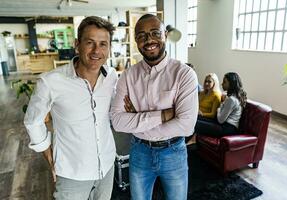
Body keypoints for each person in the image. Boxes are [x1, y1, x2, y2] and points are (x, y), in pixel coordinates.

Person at [24, 16, 118, 200]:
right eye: (90, 43)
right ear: (77, 44)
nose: (96, 51)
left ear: (109, 48)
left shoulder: (112, 76)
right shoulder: (51, 81)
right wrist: (50, 157)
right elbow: (32, 121)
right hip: (72, 173)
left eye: (103, 44)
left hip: (107, 166)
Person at [110, 14, 198, 200]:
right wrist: (166, 114)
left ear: (165, 35)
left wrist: (137, 119)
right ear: (136, 41)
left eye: (155, 33)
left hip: (173, 152)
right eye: (141, 35)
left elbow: (186, 126)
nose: (149, 40)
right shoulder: (128, 76)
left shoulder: (184, 74)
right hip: (139, 151)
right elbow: (117, 122)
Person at [192, 72, 247, 137]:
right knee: (193, 118)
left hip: (227, 129)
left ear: (231, 83)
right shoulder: (232, 97)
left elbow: (220, 120)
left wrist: (220, 107)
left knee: (194, 123)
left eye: (224, 82)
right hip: (223, 125)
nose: (222, 84)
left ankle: (181, 144)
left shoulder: (232, 99)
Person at [186, 73, 221, 145]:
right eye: (205, 81)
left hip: (208, 118)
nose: (207, 83)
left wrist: (201, 113)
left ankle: (191, 140)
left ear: (214, 83)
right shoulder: (202, 93)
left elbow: (213, 114)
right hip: (197, 114)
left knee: (192, 119)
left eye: (209, 81)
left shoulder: (216, 96)